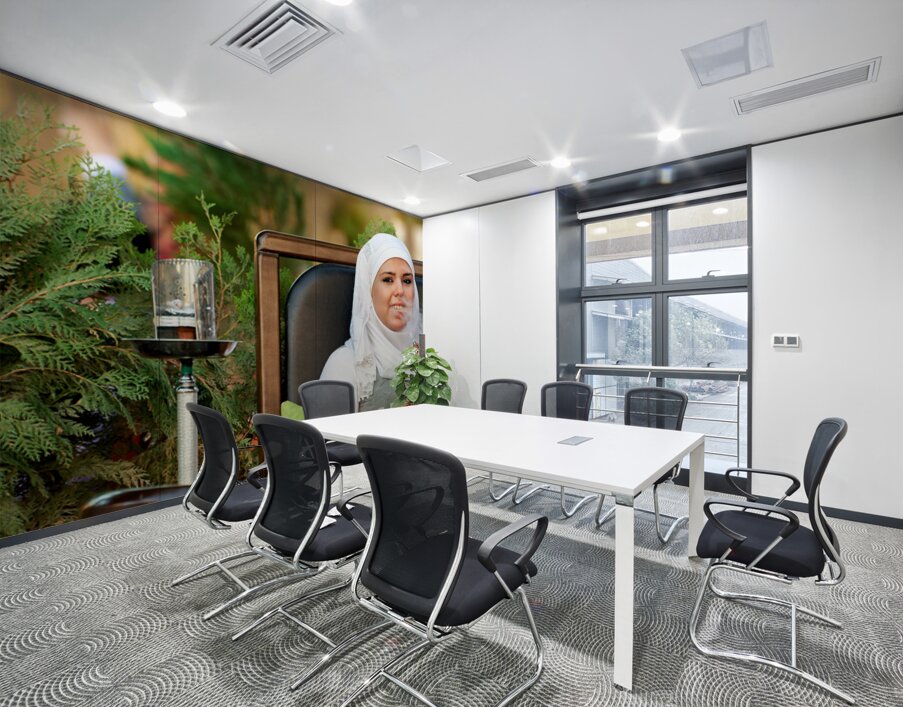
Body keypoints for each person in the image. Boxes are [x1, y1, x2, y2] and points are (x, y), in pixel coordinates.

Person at [320, 233, 422, 410]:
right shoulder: (344, 365)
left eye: (407, 281)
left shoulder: (431, 358)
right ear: (369, 290)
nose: (400, 290)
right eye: (388, 280)